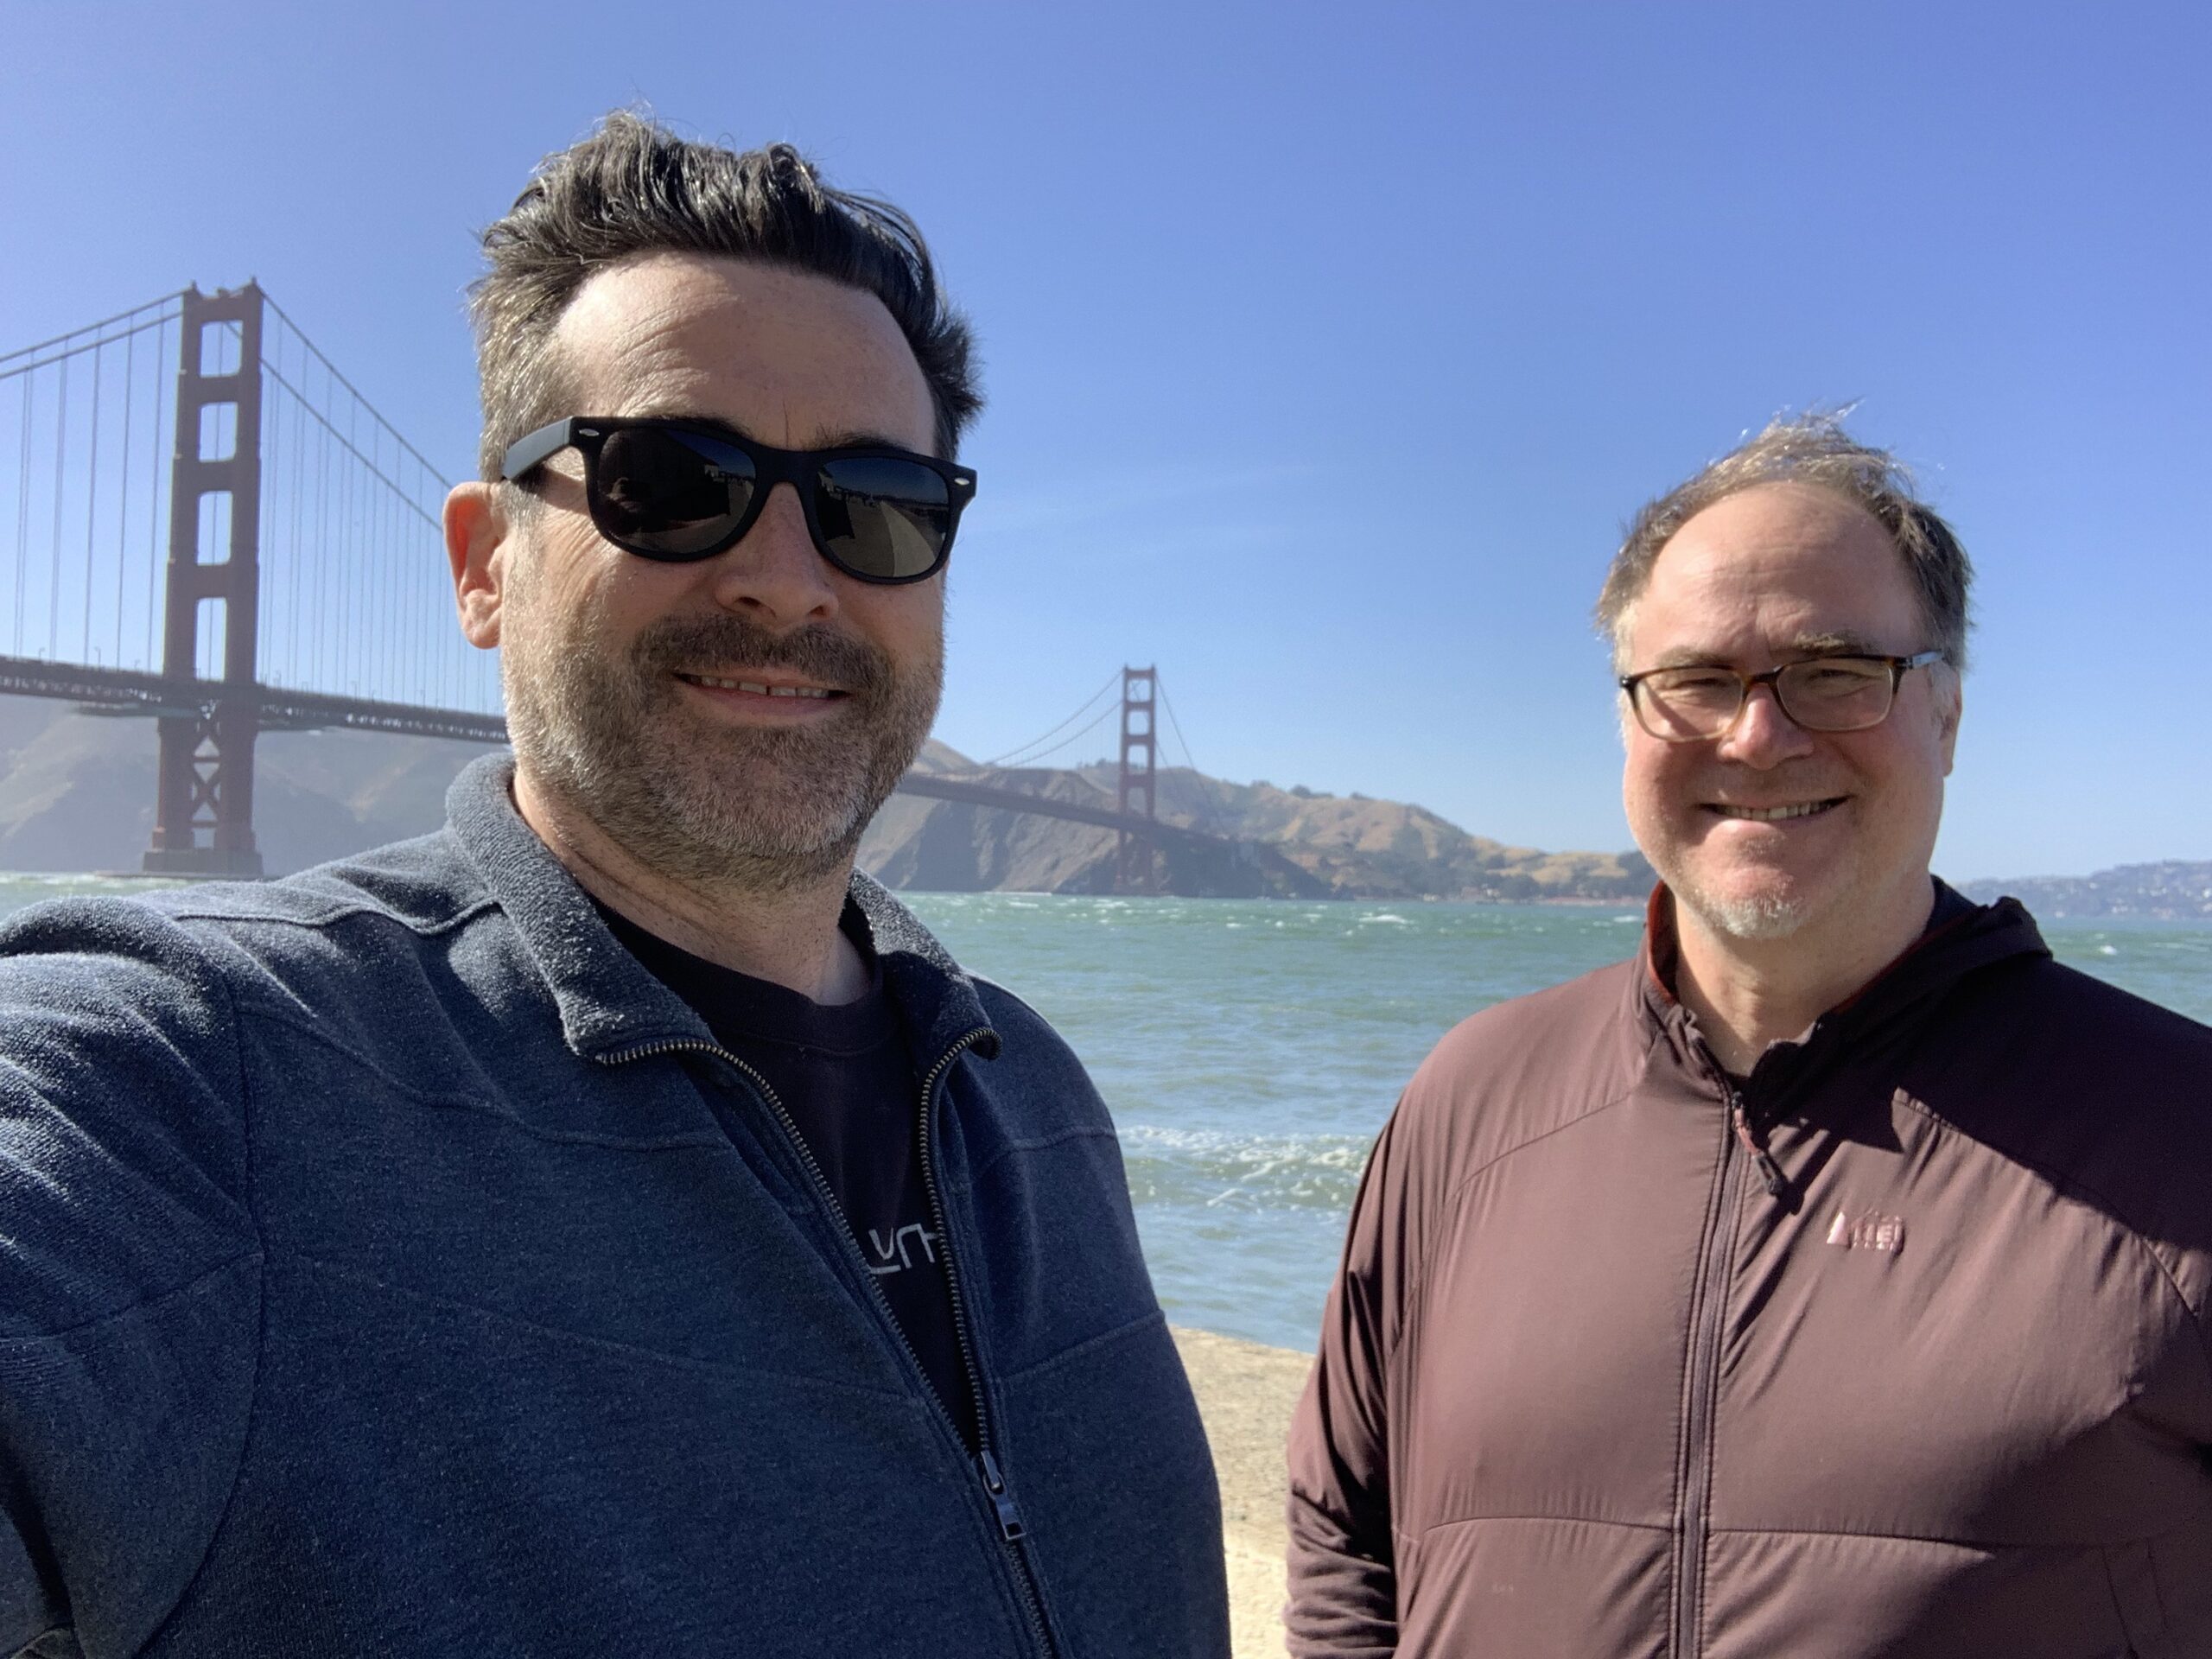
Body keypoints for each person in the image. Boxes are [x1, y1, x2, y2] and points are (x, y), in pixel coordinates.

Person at [0, 113, 1227, 1658]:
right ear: (482, 566)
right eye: (670, 477)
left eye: (880, 504)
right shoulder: (203, 1083)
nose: (790, 576)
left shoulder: (1036, 1098)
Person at [1285, 415, 2212, 1657]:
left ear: (1944, 716)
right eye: (1698, 681)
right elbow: (1348, 1535)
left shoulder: (2180, 1128)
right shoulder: (1471, 1103)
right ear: (1628, 722)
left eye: (1834, 670)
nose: (1758, 736)